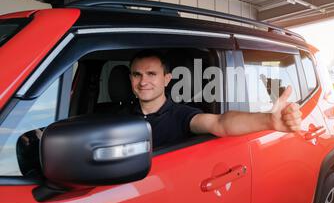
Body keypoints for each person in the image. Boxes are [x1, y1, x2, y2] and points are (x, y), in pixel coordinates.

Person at [125, 50, 303, 149]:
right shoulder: (118, 115)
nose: (143, 82)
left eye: (151, 74)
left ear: (167, 79)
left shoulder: (181, 115)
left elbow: (220, 123)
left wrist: (268, 120)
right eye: (137, 74)